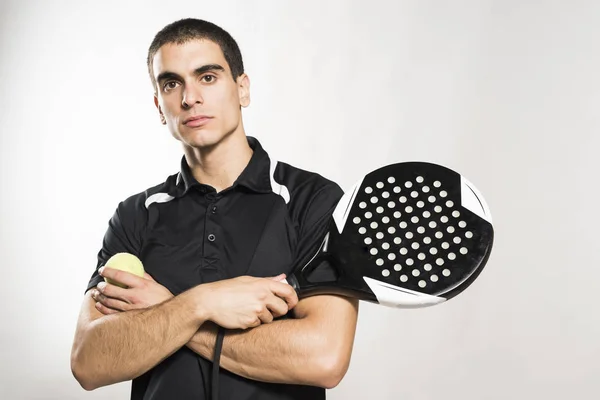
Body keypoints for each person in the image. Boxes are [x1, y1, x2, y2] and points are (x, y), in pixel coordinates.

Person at [70, 18, 359, 400]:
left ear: (242, 89)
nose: (190, 98)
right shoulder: (135, 215)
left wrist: (169, 310)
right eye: (172, 84)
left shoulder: (313, 200)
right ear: (160, 106)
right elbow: (89, 362)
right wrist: (201, 303)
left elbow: (323, 357)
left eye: (207, 77)